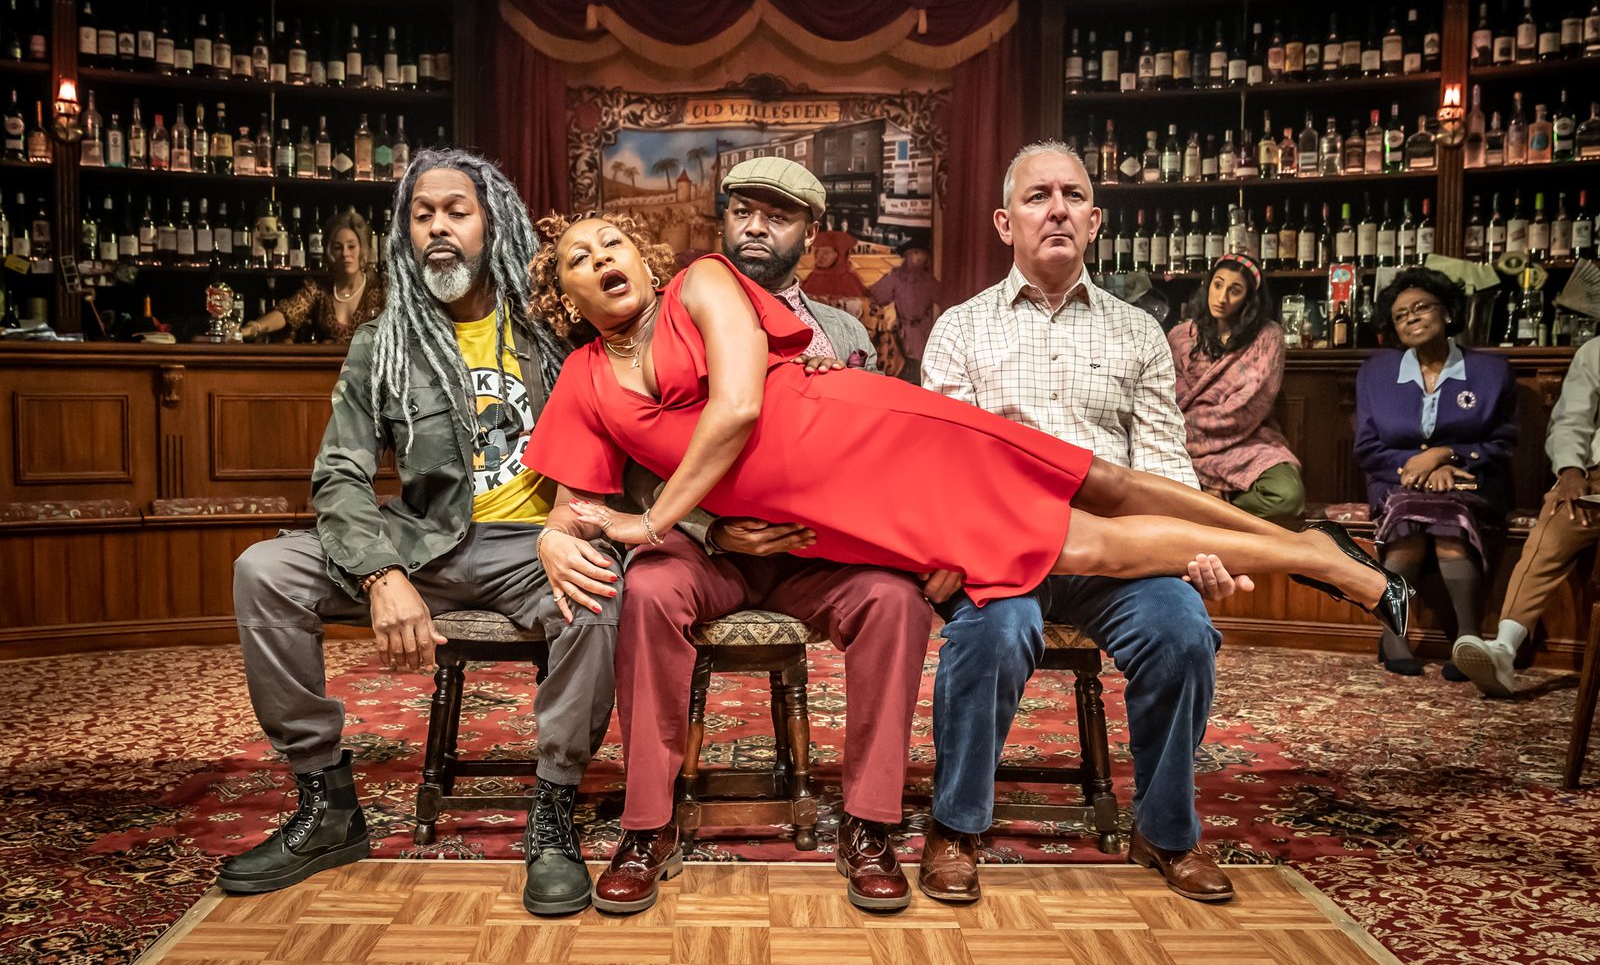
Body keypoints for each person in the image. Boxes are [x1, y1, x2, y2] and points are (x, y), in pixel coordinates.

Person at [517, 185, 1407, 666]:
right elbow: (569, 504)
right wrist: (561, 541)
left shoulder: (700, 284)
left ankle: (1319, 555)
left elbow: (744, 405)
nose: (602, 263)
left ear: (646, 257)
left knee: (1107, 483)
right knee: (1088, 542)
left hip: (879, 435)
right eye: (580, 263)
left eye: (613, 246)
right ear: (566, 295)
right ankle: (1320, 557)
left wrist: (651, 524)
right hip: (858, 505)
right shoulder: (587, 380)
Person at [219, 149, 624, 919]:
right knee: (263, 570)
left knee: (598, 597)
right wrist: (381, 575)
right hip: (424, 543)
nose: (438, 227)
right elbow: (338, 474)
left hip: (536, 545)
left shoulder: (550, 330)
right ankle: (327, 802)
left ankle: (554, 809)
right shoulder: (384, 341)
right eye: (422, 213)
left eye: (456, 211)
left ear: (491, 222)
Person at [555, 158, 932, 915]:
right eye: (744, 211)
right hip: (707, 549)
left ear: (810, 233)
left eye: (779, 215)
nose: (756, 226)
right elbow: (631, 469)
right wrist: (709, 524)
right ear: (721, 220)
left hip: (815, 553)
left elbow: (876, 452)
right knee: (652, 585)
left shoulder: (847, 331)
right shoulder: (674, 311)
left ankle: (868, 823)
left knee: (896, 601)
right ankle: (648, 825)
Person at [916, 141, 1246, 906]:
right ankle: (956, 825)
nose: (1056, 208)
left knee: (1183, 632)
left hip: (1117, 558)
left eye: (1072, 195)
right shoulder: (961, 330)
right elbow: (944, 466)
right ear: (1005, 222)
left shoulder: (1137, 334)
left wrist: (1194, 550)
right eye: (1037, 197)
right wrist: (944, 549)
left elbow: (1163, 465)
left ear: (1095, 220)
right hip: (1003, 551)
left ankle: (1166, 830)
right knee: (992, 634)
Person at [1354, 267, 1516, 678]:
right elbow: (1368, 448)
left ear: (1446, 313)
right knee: (1407, 525)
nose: (1410, 317)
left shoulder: (1492, 372)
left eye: (1421, 307)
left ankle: (1468, 639)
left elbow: (1503, 443)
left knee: (1449, 525)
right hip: (1395, 480)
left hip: (1470, 480)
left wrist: (1448, 457)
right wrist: (1416, 470)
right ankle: (1393, 634)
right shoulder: (1374, 373)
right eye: (1400, 314)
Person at [1454, 337, 1600, 696]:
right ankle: (1504, 650)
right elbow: (1572, 420)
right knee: (1553, 529)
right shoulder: (1595, 351)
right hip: (1596, 478)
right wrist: (1569, 469)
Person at [1167, 254, 1304, 527]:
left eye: (1235, 290)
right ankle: (1214, 507)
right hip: (1184, 445)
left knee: (1288, 497)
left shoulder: (1267, 337)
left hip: (1248, 441)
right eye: (1217, 285)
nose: (1222, 297)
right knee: (1155, 491)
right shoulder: (1180, 336)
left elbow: (1250, 404)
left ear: (1249, 298)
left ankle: (1214, 507)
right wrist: (1187, 437)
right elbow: (1170, 401)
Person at [240, 209, 385, 343]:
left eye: (351, 246)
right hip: (326, 368)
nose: (345, 254)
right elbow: (288, 311)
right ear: (330, 252)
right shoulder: (319, 289)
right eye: (338, 247)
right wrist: (253, 328)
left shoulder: (381, 290)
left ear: (362, 250)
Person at [868, 240, 943, 362]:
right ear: (907, 255)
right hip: (903, 330)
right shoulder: (896, 277)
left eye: (922, 254)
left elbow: (945, 299)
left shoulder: (928, 280)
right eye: (915, 253)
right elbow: (877, 295)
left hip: (924, 330)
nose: (919, 257)